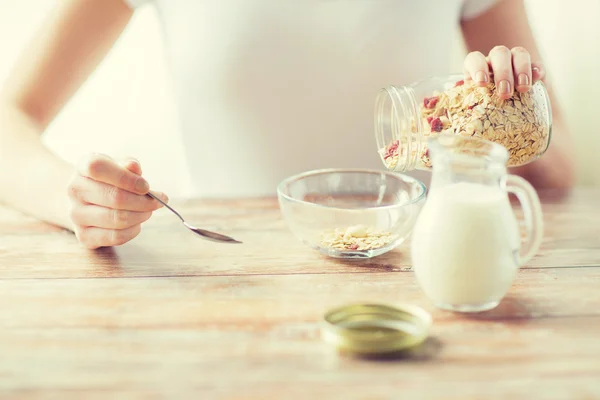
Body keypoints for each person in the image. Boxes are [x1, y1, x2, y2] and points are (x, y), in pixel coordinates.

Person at [0, 0, 574, 249]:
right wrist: (75, 201)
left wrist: (505, 118)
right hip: (228, 274)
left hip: (418, 272)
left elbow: (560, 166)